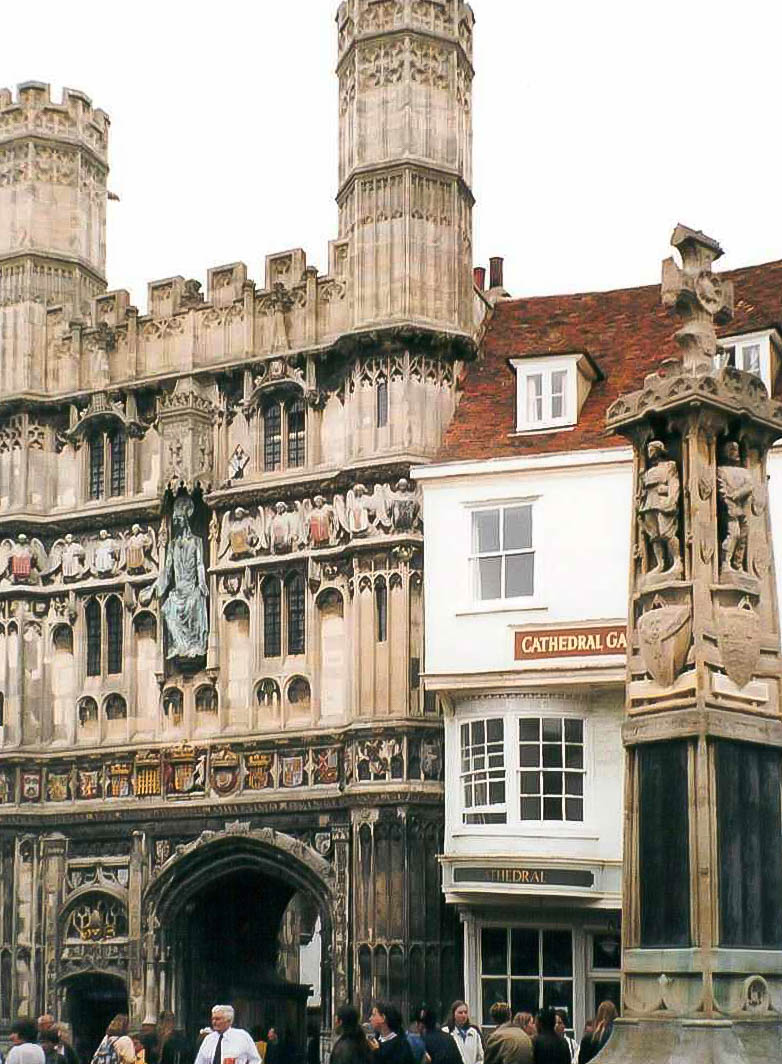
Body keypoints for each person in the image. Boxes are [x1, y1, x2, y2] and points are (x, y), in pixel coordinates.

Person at [194, 1006, 260, 1064]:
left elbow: (255, 1060)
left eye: (217, 1019)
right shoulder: (208, 1039)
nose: (214, 1022)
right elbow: (199, 1061)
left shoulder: (242, 1037)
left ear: (229, 1020)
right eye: (213, 1019)